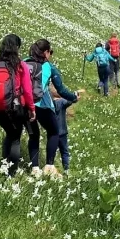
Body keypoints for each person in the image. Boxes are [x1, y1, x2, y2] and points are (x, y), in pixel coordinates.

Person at [24, 40, 80, 178]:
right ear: (45, 52)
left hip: (24, 104)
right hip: (41, 106)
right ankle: (49, 165)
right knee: (54, 131)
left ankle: (35, 169)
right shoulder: (49, 67)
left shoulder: (24, 62)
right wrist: (73, 97)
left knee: (33, 135)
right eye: (51, 52)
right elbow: (61, 89)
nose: (51, 55)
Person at [0, 34, 36, 177]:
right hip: (15, 107)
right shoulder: (19, 64)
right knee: (15, 138)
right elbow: (27, 89)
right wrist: (31, 108)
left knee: (9, 133)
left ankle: (5, 165)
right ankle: (11, 173)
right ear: (17, 47)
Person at [51, 85, 82, 175]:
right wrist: (75, 95)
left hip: (52, 133)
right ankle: (66, 170)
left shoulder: (49, 103)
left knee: (52, 150)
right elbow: (72, 100)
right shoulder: (62, 102)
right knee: (64, 151)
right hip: (63, 132)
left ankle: (50, 166)